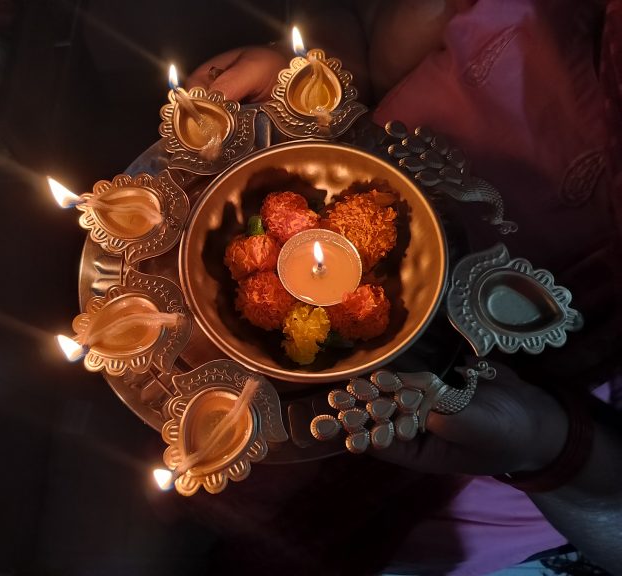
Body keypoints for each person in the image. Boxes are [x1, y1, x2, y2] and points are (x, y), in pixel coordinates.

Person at [182, 0, 622, 574]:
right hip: (320, 226)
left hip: (502, 451)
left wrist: (547, 445)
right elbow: (364, 37)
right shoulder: (525, 21)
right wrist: (311, 82)